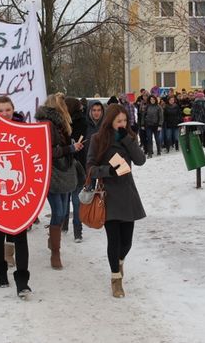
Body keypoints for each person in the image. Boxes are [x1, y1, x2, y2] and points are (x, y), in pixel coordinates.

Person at [86, 104, 146, 298]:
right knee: (114, 240)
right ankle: (115, 279)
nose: (122, 124)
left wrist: (128, 140)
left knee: (126, 242)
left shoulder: (129, 137)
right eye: (118, 121)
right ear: (110, 121)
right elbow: (90, 168)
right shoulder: (97, 139)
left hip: (128, 193)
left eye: (125, 121)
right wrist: (107, 171)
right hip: (108, 195)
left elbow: (140, 160)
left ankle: (120, 262)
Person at [0, 96, 32, 298]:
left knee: (21, 236)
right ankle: (0, 272)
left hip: (20, 194)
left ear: (13, 110)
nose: (4, 114)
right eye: (0, 111)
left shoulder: (26, 130)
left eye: (7, 110)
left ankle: (22, 280)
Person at [35, 93, 83, 269]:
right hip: (52, 172)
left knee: (62, 213)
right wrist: (70, 148)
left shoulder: (59, 124)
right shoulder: (47, 124)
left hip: (64, 170)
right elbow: (47, 151)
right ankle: (56, 252)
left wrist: (72, 147)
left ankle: (53, 241)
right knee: (59, 211)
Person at [62, 97, 88, 242]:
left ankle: (75, 229)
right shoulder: (62, 123)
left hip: (75, 164)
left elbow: (78, 144)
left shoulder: (78, 122)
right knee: (69, 198)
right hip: (70, 164)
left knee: (74, 198)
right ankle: (68, 225)